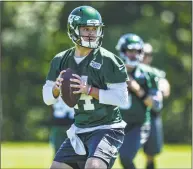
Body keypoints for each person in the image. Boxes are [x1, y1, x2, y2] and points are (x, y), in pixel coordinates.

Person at [42, 5, 129, 169]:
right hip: (80, 128)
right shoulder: (61, 60)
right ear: (74, 29)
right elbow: (47, 98)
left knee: (94, 166)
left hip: (107, 128)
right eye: (86, 28)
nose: (91, 33)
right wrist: (56, 88)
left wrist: (89, 90)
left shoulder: (110, 60)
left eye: (94, 28)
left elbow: (122, 99)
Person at [115, 33, 165, 169]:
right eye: (130, 51)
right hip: (115, 124)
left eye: (137, 51)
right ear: (123, 51)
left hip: (138, 124)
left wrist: (137, 89)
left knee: (125, 156)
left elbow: (156, 105)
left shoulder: (149, 73)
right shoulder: (112, 70)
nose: (133, 54)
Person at [142, 43, 170, 169]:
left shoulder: (156, 73)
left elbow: (165, 87)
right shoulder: (129, 71)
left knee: (151, 153)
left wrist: (162, 89)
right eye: (142, 53)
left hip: (151, 115)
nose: (144, 57)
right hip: (131, 116)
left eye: (148, 54)